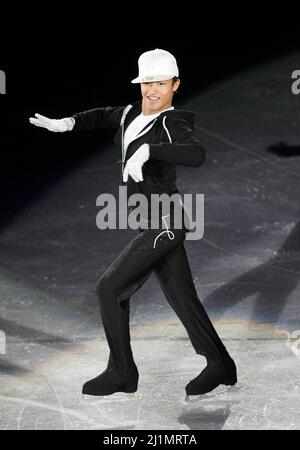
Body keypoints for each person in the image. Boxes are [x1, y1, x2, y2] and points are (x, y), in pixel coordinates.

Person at [29, 48, 237, 397]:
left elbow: (196, 153)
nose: (152, 89)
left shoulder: (172, 122)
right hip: (149, 220)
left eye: (160, 83)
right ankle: (221, 364)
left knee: (108, 288)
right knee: (183, 299)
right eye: (146, 83)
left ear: (175, 85)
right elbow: (101, 116)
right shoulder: (129, 114)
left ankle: (122, 371)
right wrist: (66, 124)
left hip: (165, 221)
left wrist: (151, 150)